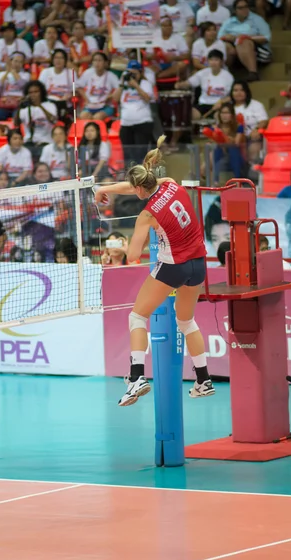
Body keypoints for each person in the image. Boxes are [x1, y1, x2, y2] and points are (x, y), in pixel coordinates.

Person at [95, 138, 215, 405]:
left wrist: (121, 248)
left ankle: (137, 377)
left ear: (139, 189)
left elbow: (135, 256)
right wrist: (106, 188)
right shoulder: (171, 182)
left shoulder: (147, 215)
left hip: (173, 266)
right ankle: (203, 379)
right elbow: (139, 184)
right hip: (198, 265)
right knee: (186, 321)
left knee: (137, 317)